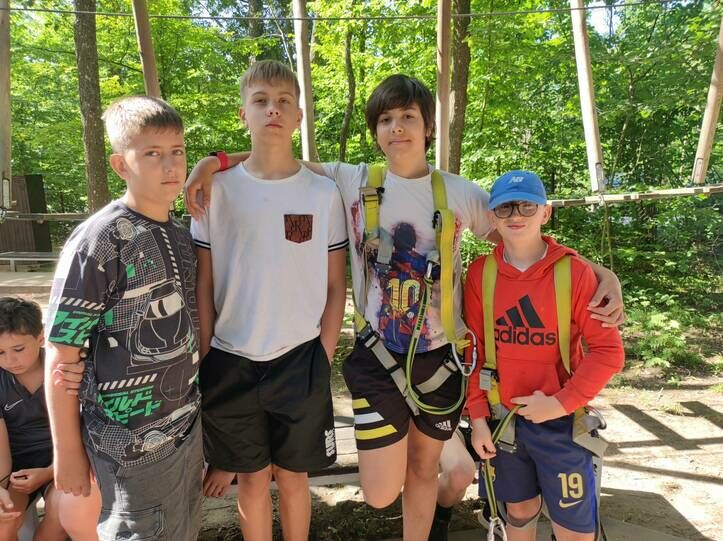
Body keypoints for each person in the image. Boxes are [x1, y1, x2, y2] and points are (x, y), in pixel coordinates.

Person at [184, 75, 625, 540]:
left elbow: (523, 240)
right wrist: (212, 163)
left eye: (408, 117)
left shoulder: (458, 193)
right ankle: (445, 454)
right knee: (379, 493)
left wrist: (598, 272)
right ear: (375, 131)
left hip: (441, 358)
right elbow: (279, 159)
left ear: (428, 127)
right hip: (377, 357)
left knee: (422, 469)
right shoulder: (354, 180)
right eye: (386, 119)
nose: (397, 128)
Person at [190, 60, 347, 541]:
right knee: (253, 481)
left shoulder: (323, 193)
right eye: (260, 101)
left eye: (283, 101)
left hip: (301, 359)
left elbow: (335, 284)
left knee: (295, 480)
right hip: (231, 359)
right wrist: (207, 352)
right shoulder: (215, 190)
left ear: (299, 115)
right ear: (244, 114)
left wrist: (322, 355)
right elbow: (203, 282)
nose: (272, 110)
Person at [44, 96, 203, 540]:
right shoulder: (99, 240)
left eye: (177, 151)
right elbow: (61, 351)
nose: (170, 165)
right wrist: (66, 451)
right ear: (120, 165)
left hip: (186, 428)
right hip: (129, 445)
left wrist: (214, 163)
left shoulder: (179, 234)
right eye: (152, 153)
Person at [465, 171, 625, 541]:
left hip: (562, 425)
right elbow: (473, 352)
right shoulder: (481, 274)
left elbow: (608, 352)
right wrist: (477, 419)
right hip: (504, 423)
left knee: (573, 527)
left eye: (527, 206)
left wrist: (559, 403)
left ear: (545, 213)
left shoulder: (574, 273)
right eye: (505, 208)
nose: (516, 215)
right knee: (519, 511)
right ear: (491, 217)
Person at [0, 297, 99, 541]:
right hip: (15, 470)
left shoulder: (69, 368)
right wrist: (1, 487)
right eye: (0, 352)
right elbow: (1, 454)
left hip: (63, 461)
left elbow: (86, 430)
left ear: (41, 337)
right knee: (4, 518)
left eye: (18, 349)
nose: (9, 360)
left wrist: (48, 473)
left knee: (61, 510)